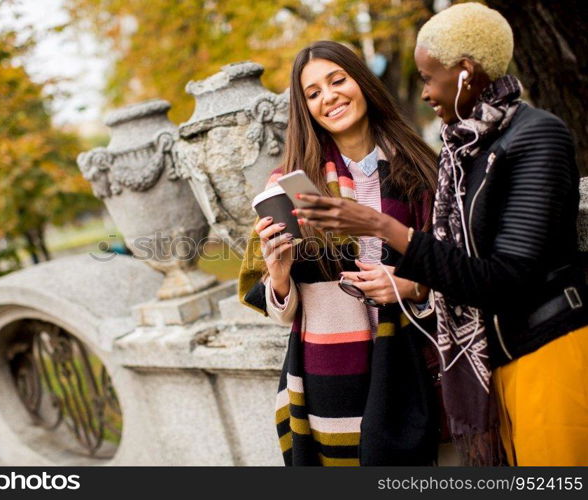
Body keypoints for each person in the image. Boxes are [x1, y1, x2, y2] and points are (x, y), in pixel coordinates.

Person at [294, 3, 588, 466]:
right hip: (489, 357)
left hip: (540, 345)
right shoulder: (462, 151)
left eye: (429, 77)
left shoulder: (533, 136)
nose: (426, 91)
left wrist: (388, 240)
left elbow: (508, 272)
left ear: (466, 73)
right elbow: (461, 261)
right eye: (312, 92)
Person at [239, 41, 440, 466]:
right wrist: (277, 274)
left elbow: (455, 264)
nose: (328, 97)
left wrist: (410, 287)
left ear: (361, 82)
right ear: (305, 107)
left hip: (411, 359)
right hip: (332, 370)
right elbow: (274, 303)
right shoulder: (287, 183)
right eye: (313, 93)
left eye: (337, 80)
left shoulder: (419, 167)